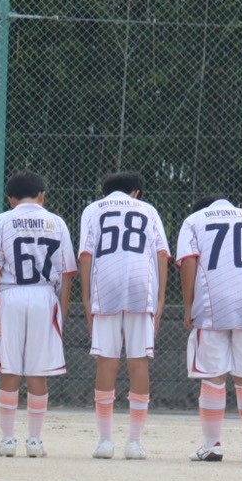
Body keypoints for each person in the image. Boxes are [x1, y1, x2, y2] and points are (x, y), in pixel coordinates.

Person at [0, 171, 77, 458]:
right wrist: (62, 310)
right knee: (38, 371)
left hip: (10, 296)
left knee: (9, 369)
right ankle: (35, 441)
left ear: (11, 199)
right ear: (42, 195)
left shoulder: (2, 221)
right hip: (45, 297)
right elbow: (67, 272)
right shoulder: (56, 222)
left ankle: (8, 440)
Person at [78, 171, 171, 460]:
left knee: (107, 360)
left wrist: (87, 298)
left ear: (105, 193)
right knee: (138, 361)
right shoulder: (147, 209)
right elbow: (162, 254)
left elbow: (86, 254)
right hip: (140, 284)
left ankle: (105, 441)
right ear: (136, 193)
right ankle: (134, 442)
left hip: (106, 284)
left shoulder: (93, 209)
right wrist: (160, 298)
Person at [177, 195, 242, 462]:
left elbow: (189, 261)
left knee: (213, 376)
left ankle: (212, 445)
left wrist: (189, 304)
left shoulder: (194, 221)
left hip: (212, 304)